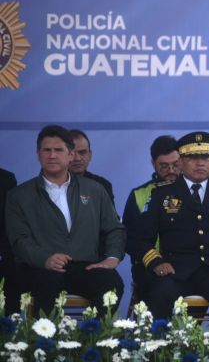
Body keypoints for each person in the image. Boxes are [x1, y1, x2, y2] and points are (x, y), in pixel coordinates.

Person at [5, 125, 125, 316]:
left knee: (111, 282)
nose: (52, 155)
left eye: (58, 150)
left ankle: (95, 338)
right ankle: (47, 343)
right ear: (38, 154)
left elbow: (114, 229)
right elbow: (19, 240)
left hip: (84, 266)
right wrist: (44, 258)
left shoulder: (95, 190)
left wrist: (111, 258)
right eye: (47, 150)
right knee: (46, 284)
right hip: (40, 268)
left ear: (70, 155)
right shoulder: (19, 196)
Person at [134, 131, 209, 320]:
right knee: (159, 294)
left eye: (206, 157)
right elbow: (142, 239)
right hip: (176, 271)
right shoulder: (161, 194)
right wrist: (156, 263)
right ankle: (160, 348)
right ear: (180, 161)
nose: (200, 163)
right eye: (193, 157)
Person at [122, 135, 180, 297]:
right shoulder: (139, 195)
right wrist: (154, 261)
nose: (171, 171)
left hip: (187, 263)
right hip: (148, 265)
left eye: (176, 165)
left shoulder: (194, 191)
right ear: (153, 164)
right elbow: (129, 238)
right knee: (163, 288)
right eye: (164, 166)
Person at [68, 129, 115, 204]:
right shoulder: (51, 185)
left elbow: (110, 216)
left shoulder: (102, 185)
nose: (77, 158)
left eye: (82, 152)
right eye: (71, 153)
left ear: (90, 155)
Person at [0, 168, 20, 314]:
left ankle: (8, 331)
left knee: (12, 272)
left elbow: (8, 225)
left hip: (3, 259)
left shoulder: (5, 179)